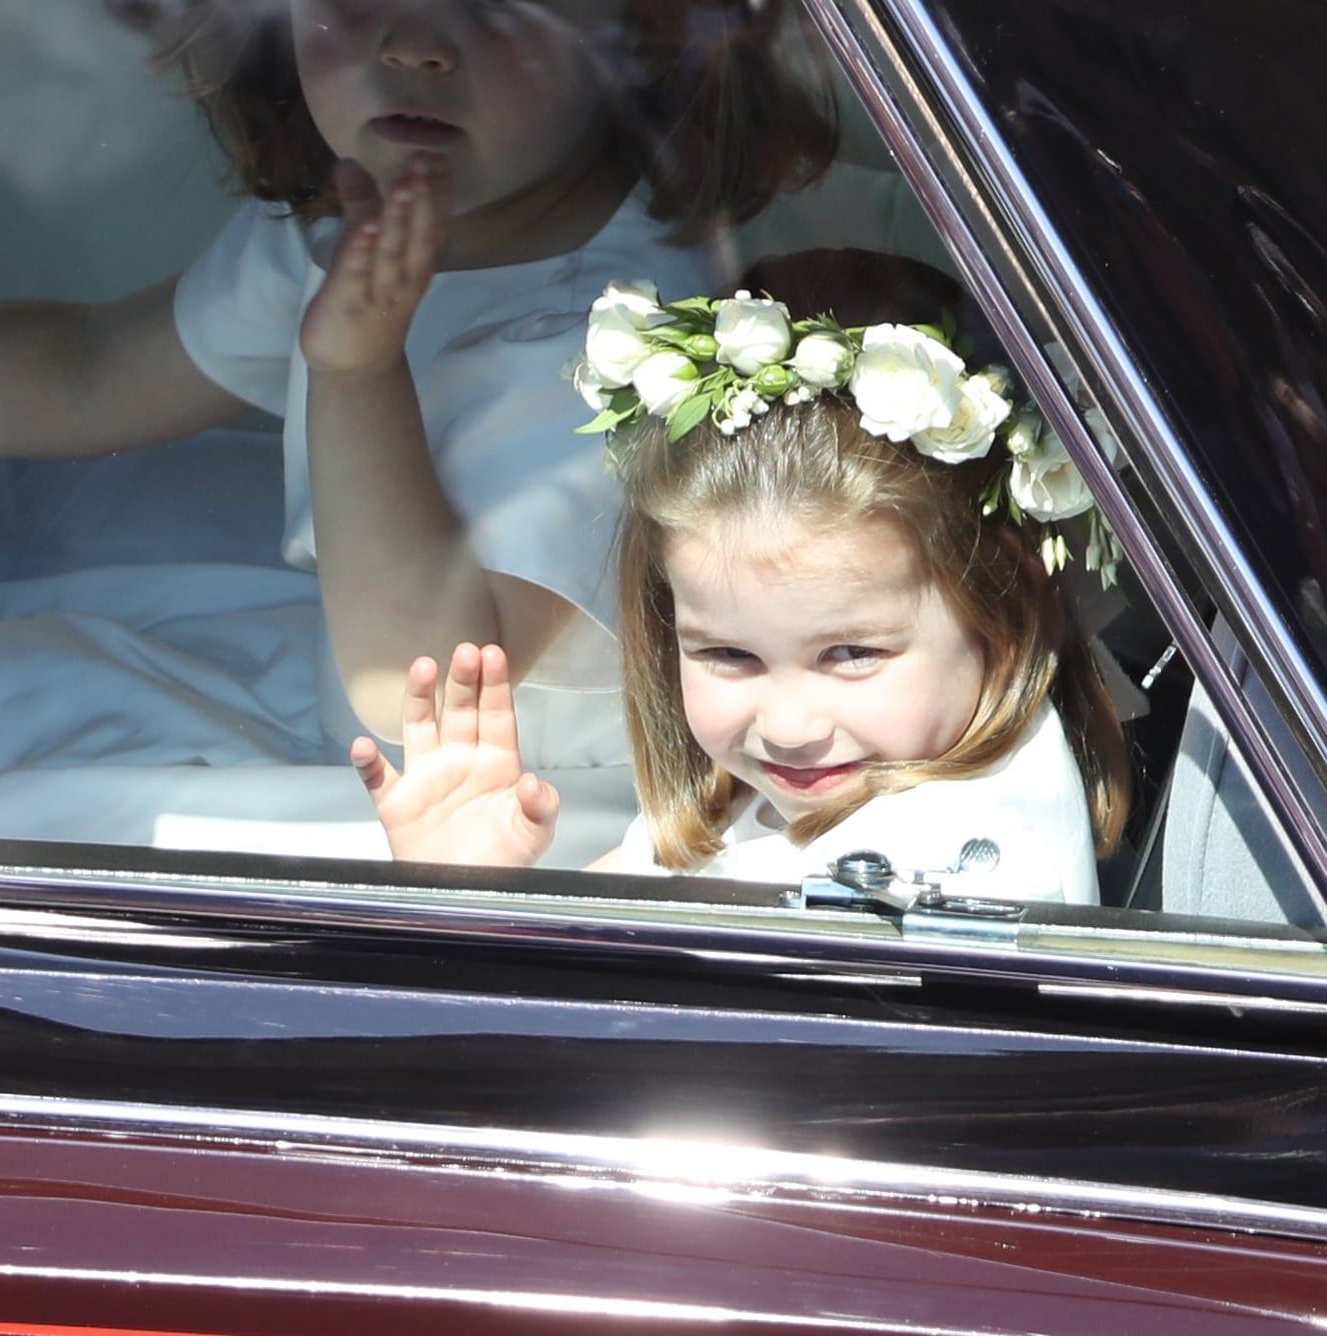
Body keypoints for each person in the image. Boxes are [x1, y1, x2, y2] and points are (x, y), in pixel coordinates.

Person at [0, 0, 836, 748]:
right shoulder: (365, 219)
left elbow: (427, 692)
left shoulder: (626, 339)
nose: (413, 40)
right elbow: (91, 370)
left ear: (642, 32)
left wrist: (353, 372)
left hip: (480, 802)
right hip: (338, 674)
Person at [354, 249, 1132, 902]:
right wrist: (469, 888)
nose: (790, 727)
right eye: (729, 655)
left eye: (851, 654)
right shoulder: (852, 787)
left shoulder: (922, 874)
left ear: (1004, 595)